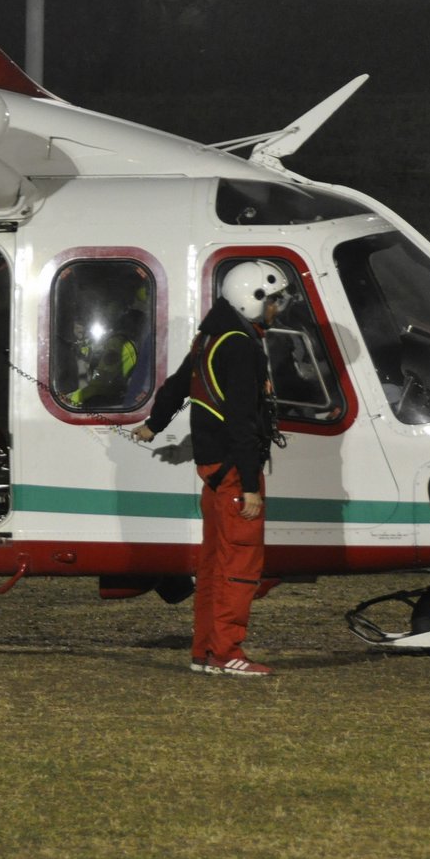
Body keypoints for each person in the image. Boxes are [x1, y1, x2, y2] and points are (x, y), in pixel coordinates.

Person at [133, 260, 288, 677]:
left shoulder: (211, 338)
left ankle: (205, 651)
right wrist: (252, 485)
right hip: (235, 472)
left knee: (214, 565)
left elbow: (177, 385)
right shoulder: (239, 345)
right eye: (273, 301)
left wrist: (153, 424)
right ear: (251, 300)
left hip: (213, 470)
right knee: (239, 566)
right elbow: (242, 420)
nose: (277, 309)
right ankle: (226, 653)